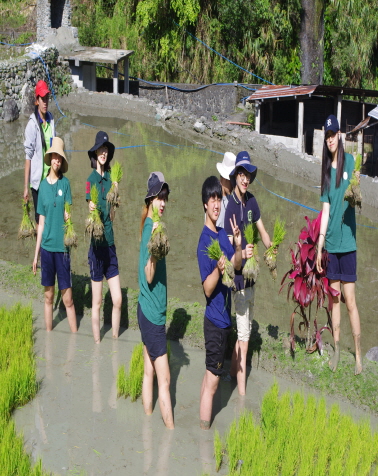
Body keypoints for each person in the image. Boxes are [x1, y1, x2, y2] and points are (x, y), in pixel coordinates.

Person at [316, 114, 362, 375]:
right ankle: (335, 352)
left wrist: (356, 188)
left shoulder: (351, 162)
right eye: (327, 136)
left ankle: (357, 356)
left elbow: (356, 184)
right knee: (334, 302)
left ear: (340, 136)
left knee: (350, 301)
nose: (331, 139)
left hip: (349, 244)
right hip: (332, 245)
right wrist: (321, 246)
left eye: (333, 134)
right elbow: (325, 210)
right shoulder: (326, 172)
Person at [224, 151, 273, 396]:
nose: (245, 179)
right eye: (241, 174)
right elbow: (233, 251)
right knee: (243, 338)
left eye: (248, 175)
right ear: (235, 176)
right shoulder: (229, 208)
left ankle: (231, 374)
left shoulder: (252, 202)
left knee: (245, 332)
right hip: (239, 280)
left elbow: (262, 231)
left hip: (253, 278)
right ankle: (241, 397)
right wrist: (244, 249)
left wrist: (271, 248)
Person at [197, 176, 242, 430]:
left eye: (219, 199)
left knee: (209, 378)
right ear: (205, 204)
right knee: (213, 383)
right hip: (214, 321)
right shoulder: (204, 242)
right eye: (212, 199)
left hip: (225, 320)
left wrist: (235, 247)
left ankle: (201, 425)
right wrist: (217, 268)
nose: (217, 204)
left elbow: (235, 266)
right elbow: (207, 288)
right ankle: (203, 434)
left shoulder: (222, 233)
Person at [138, 172, 174, 429]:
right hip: (152, 316)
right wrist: (153, 254)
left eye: (165, 198)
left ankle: (147, 426)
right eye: (159, 197)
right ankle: (170, 434)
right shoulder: (151, 231)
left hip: (147, 310)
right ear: (150, 199)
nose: (163, 202)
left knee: (149, 372)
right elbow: (148, 276)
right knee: (165, 380)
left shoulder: (152, 226)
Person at [32, 137, 77, 333]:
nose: (57, 161)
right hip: (47, 249)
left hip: (62, 249)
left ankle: (75, 335)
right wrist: (36, 256)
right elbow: (40, 223)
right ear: (50, 158)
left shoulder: (65, 184)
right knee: (49, 296)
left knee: (68, 298)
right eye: (54, 157)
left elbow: (68, 215)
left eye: (60, 158)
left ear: (62, 161)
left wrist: (70, 223)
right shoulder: (42, 187)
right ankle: (49, 336)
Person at [86, 131, 122, 343]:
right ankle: (98, 345)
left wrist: (116, 194)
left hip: (110, 244)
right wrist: (90, 206)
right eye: (101, 149)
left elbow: (112, 215)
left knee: (117, 299)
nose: (104, 152)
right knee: (97, 302)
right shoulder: (90, 180)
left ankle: (115, 342)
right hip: (96, 249)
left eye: (106, 150)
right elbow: (90, 204)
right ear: (95, 153)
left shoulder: (111, 179)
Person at [24, 80, 55, 227]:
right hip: (38, 182)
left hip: (51, 179)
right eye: (42, 99)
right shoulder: (32, 125)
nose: (45, 102)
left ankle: (49, 248)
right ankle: (39, 250)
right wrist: (26, 187)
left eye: (47, 98)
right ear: (37, 100)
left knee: (51, 216)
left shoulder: (51, 120)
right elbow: (28, 156)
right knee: (39, 220)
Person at [215, 152, 236, 227]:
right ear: (224, 178)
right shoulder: (214, 202)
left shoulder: (231, 200)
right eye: (232, 181)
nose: (234, 185)